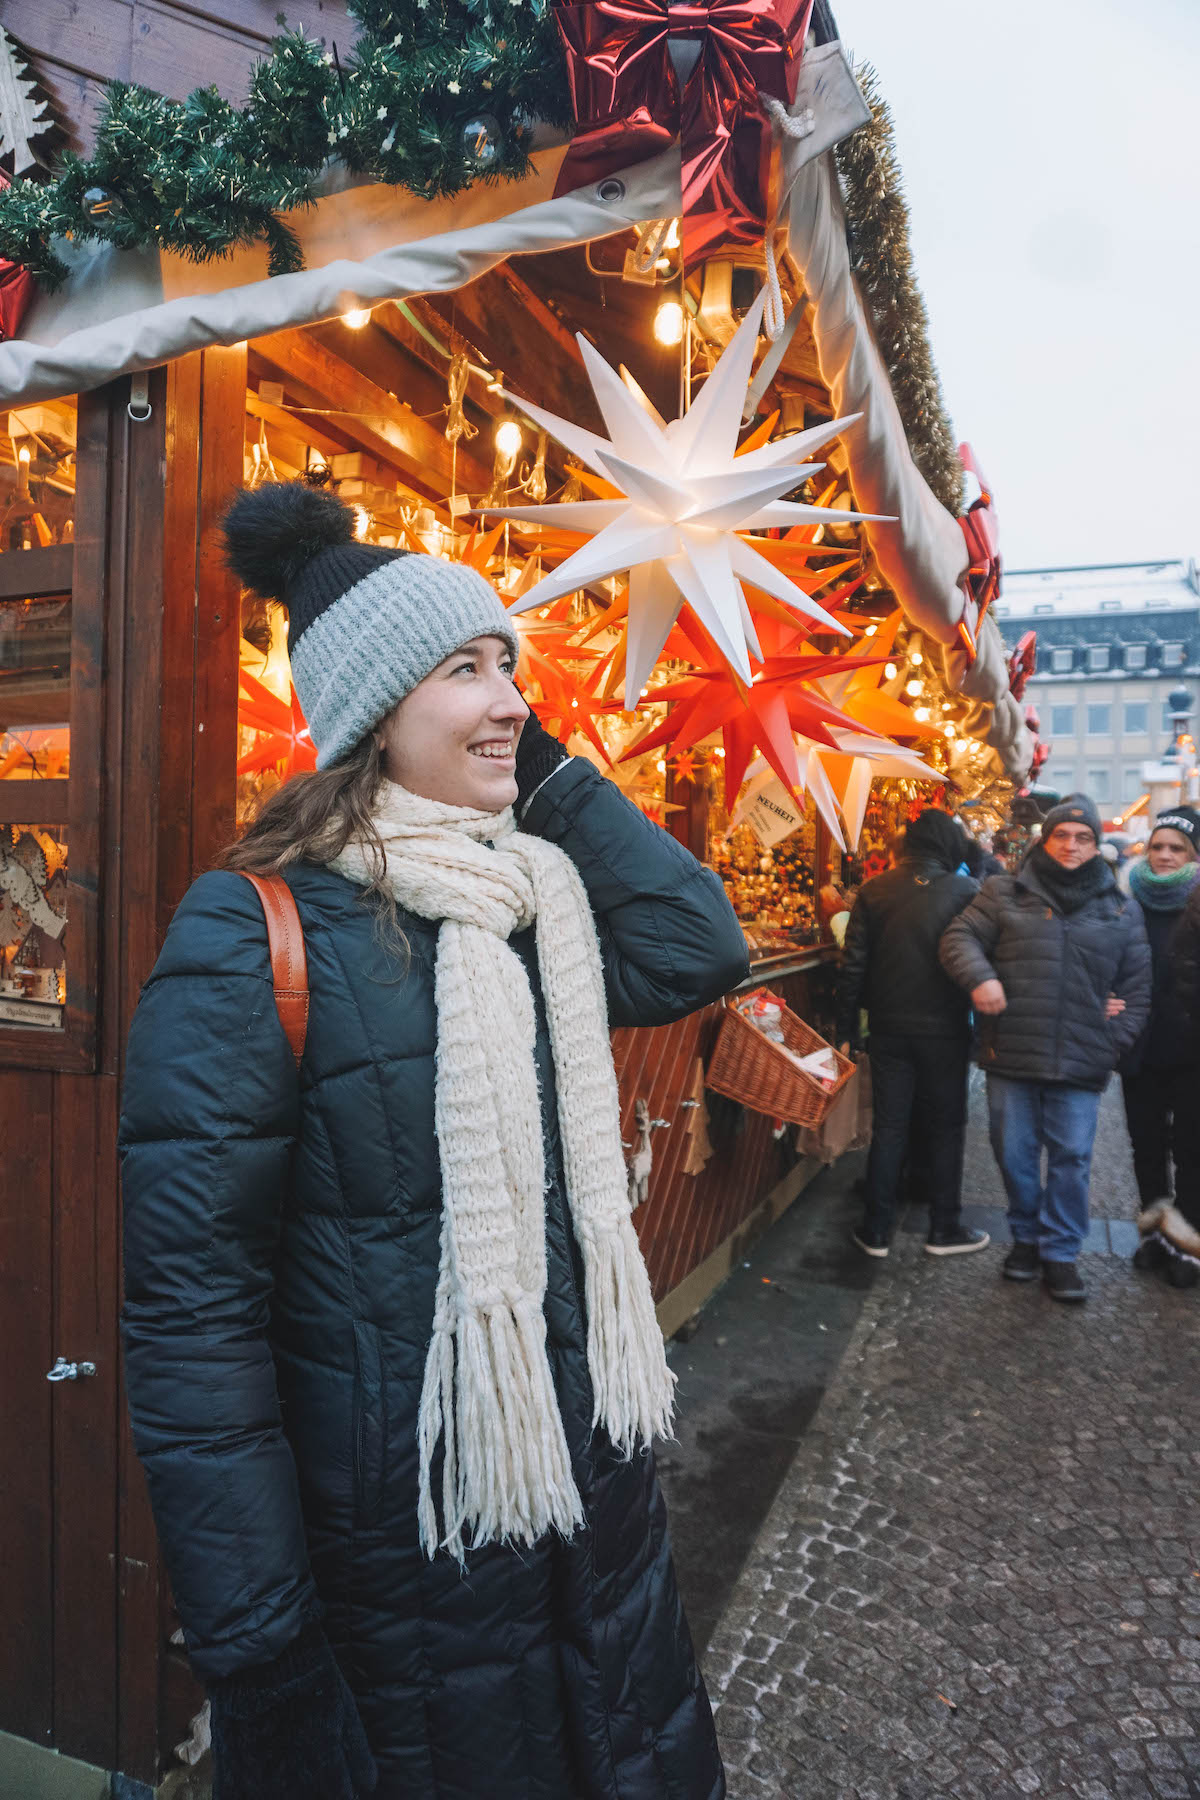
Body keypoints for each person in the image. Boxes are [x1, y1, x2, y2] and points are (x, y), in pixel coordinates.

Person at [118, 483, 749, 1800]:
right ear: (373, 710)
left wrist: (535, 760)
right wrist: (260, 1639)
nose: (510, 695)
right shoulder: (251, 935)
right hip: (401, 1564)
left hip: (588, 1520)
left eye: (507, 662)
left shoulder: (529, 905)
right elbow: (193, 1312)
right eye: (463, 668)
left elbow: (700, 944)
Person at [940, 794, 1151, 1304]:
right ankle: (1027, 1239)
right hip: (1011, 1051)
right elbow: (958, 937)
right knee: (1013, 1156)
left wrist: (1109, 1042)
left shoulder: (1120, 909)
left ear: (1098, 847)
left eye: (1083, 838)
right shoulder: (1003, 892)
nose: (1072, 846)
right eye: (1062, 835)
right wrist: (980, 979)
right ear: (1044, 839)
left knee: (1072, 1158)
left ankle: (1061, 1253)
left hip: (1081, 1059)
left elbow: (1139, 987)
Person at [835, 807, 987, 1258]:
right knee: (945, 1126)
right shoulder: (967, 891)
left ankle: (876, 1229)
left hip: (888, 1027)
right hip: (946, 1029)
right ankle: (945, 1227)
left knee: (890, 1126)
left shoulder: (875, 890)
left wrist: (846, 1028)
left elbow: (853, 965)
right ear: (949, 845)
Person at [1129, 808, 1200, 1286]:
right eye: (1159, 846)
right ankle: (1155, 1234)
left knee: (1193, 1151)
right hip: (1140, 1048)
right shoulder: (1126, 900)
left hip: (1194, 1051)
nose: (1166, 855)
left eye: (1177, 848)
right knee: (1147, 1148)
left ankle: (1189, 1245)